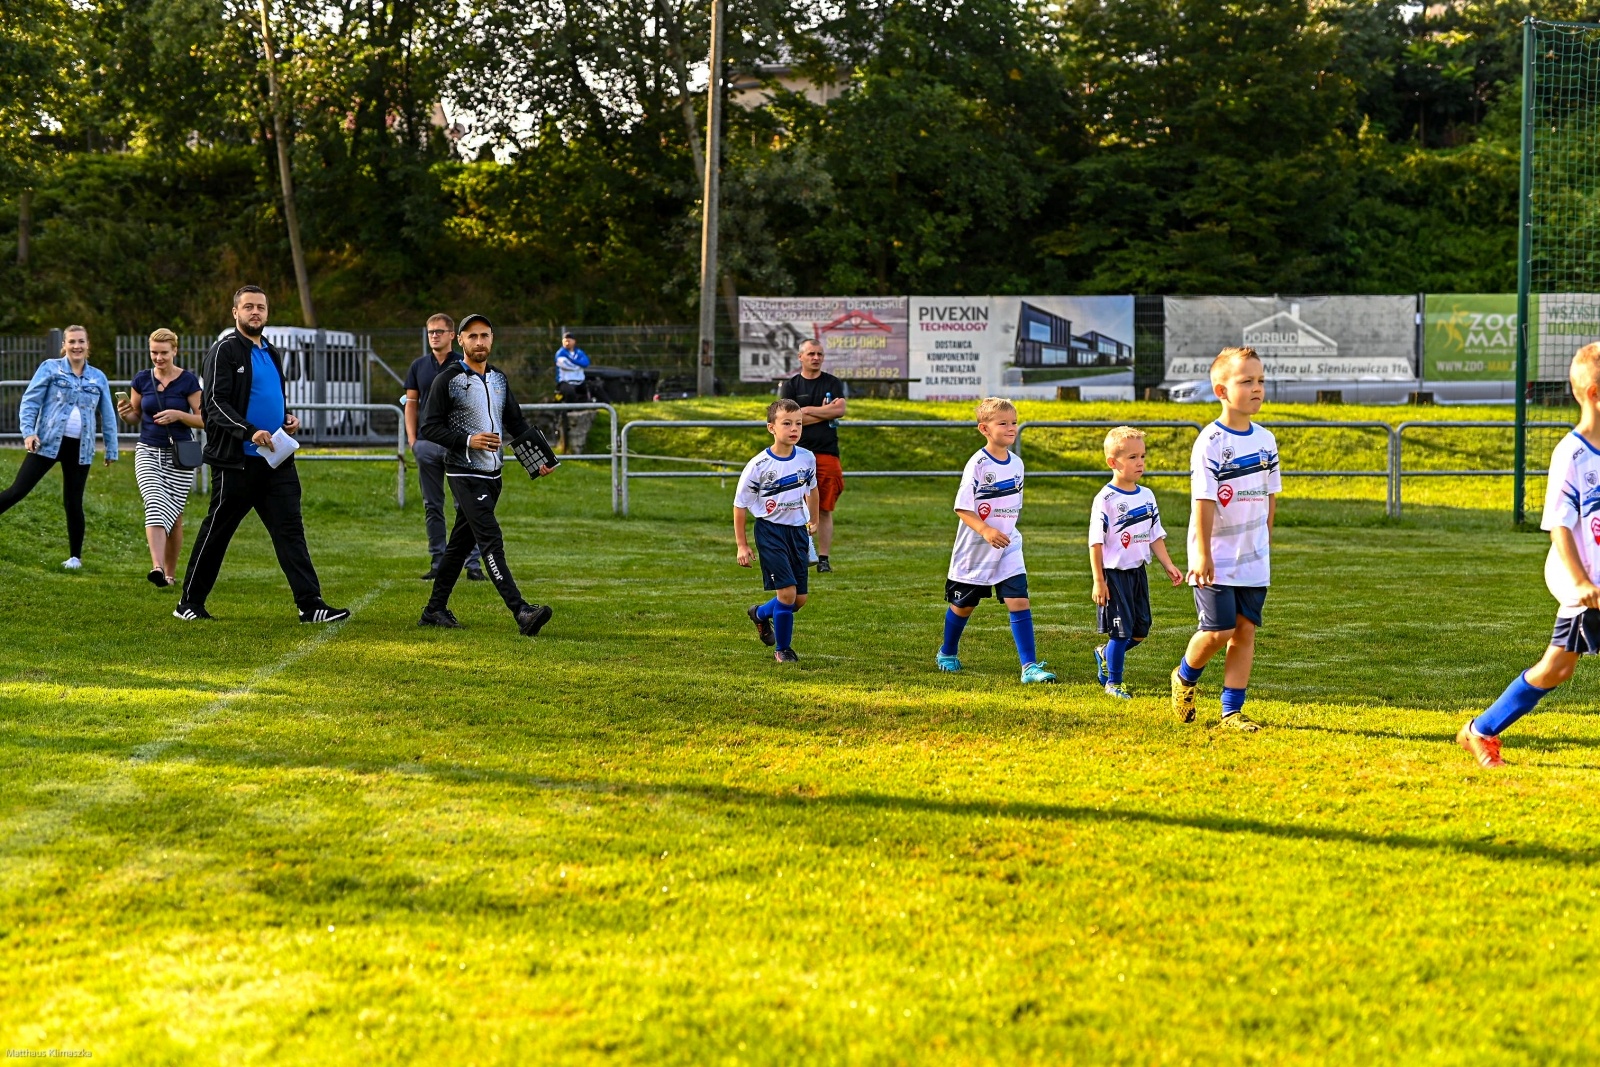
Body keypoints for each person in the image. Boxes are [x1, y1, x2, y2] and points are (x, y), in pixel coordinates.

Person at [1460, 342, 1600, 768]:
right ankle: (1480, 730)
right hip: (1586, 582)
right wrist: (1579, 582)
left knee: (1558, 668)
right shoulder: (1572, 454)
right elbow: (1558, 522)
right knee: (1556, 669)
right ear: (1594, 393)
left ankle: (1480, 730)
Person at [173, 286, 348, 623]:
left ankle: (310, 606)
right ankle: (188, 604)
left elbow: (270, 396)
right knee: (217, 532)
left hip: (277, 460)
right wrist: (249, 430)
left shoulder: (271, 351)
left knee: (290, 531)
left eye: (261, 308)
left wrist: (287, 417)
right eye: (248, 307)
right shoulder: (224, 351)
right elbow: (214, 405)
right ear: (235, 313)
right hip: (236, 462)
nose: (255, 313)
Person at [418, 313, 555, 636]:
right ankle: (521, 610)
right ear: (460, 340)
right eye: (473, 336)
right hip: (464, 473)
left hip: (494, 474)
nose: (479, 342)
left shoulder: (499, 379)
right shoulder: (448, 379)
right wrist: (468, 440)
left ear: (492, 339)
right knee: (491, 539)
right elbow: (429, 427)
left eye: (485, 336)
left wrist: (537, 459)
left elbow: (516, 422)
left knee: (459, 546)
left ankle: (434, 609)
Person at [1170, 347, 1281, 730]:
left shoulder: (1266, 440)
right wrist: (1201, 554)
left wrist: (1264, 540)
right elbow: (1202, 500)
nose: (1257, 389)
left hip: (1253, 555)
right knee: (1219, 631)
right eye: (1246, 381)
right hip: (1215, 553)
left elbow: (1270, 497)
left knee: (1245, 630)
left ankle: (1231, 711)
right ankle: (1185, 677)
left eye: (1261, 381)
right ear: (1221, 390)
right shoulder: (1211, 441)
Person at [935, 397, 1056, 684]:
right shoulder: (977, 463)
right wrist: (986, 530)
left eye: (1014, 422)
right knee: (964, 605)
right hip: (975, 548)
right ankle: (947, 651)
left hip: (1009, 545)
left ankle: (1029, 667)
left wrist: (1003, 531)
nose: (1011, 428)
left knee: (1019, 600)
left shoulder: (1017, 464)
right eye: (1003, 423)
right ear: (984, 429)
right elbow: (962, 507)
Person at [0, 325, 119, 570]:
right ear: (64, 345)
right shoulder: (50, 368)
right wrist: (29, 433)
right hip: (46, 443)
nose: (77, 346)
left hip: (81, 449)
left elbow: (108, 415)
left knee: (73, 502)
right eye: (72, 341)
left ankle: (75, 558)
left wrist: (111, 449)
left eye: (81, 342)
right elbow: (30, 402)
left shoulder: (98, 377)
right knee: (17, 490)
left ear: (88, 346)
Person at [1089, 426, 1184, 699]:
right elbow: (1095, 542)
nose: (1140, 462)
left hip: (1138, 574)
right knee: (1120, 632)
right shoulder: (1105, 500)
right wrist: (1099, 580)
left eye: (1142, 456)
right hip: (1114, 576)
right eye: (1132, 457)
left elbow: (1155, 535)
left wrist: (1168, 564)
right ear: (1113, 462)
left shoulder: (1147, 496)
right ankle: (1114, 683)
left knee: (1141, 630)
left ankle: (1105, 653)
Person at [734, 398, 818, 663]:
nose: (794, 429)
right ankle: (783, 649)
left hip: (797, 533)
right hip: (770, 532)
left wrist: (813, 518)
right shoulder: (758, 466)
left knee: (799, 600)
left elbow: (812, 489)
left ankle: (759, 614)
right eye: (787, 423)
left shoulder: (807, 458)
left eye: (798, 424)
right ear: (771, 427)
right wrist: (742, 545)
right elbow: (740, 505)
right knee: (787, 594)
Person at [118, 327, 203, 587]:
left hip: (180, 455)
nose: (158, 358)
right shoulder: (142, 379)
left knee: (175, 516)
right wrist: (125, 414)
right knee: (154, 504)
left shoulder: (188, 381)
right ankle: (156, 567)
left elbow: (205, 420)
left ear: (174, 351)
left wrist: (179, 415)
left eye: (163, 353)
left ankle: (170, 573)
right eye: (154, 352)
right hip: (148, 451)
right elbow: (135, 416)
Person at [404, 313, 483, 582]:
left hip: (458, 445)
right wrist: (413, 441)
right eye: (430, 332)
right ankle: (438, 562)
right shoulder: (418, 366)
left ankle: (473, 564)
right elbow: (411, 403)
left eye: (439, 331)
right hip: (427, 446)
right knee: (432, 505)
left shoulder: (464, 364)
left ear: (453, 336)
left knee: (467, 505)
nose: (434, 336)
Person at [778, 339, 847, 572]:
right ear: (800, 357)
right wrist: (822, 413)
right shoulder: (790, 386)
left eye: (819, 354)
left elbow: (840, 410)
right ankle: (800, 553)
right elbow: (786, 420)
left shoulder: (832, 382)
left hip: (827, 453)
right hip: (796, 454)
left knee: (824, 508)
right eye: (811, 354)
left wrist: (806, 412)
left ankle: (824, 559)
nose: (816, 358)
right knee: (794, 505)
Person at [555, 332, 608, 403]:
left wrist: (572, 361)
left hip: (580, 382)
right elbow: (566, 365)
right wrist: (578, 364)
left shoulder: (579, 352)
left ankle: (609, 406)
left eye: (569, 341)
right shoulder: (560, 353)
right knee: (570, 393)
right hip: (565, 382)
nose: (567, 343)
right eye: (565, 341)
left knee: (596, 388)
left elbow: (586, 363)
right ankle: (568, 410)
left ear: (574, 341)